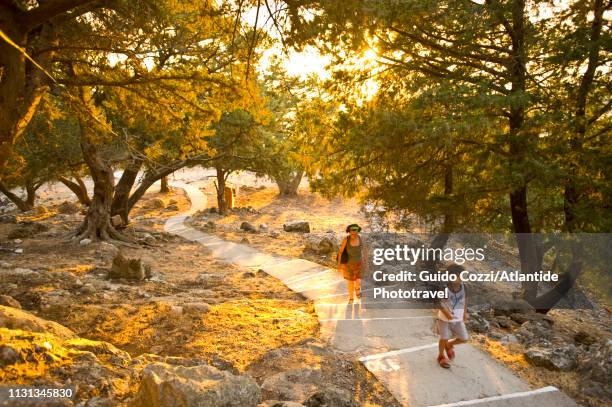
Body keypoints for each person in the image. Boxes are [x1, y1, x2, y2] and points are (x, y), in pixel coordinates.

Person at [436, 264, 469, 368]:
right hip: (444, 318)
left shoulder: (464, 286)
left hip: (458, 318)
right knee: (444, 337)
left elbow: (465, 300)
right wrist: (447, 314)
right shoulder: (445, 288)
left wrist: (464, 313)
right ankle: (441, 356)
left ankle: (449, 345)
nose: (463, 278)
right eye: (461, 275)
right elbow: (438, 303)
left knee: (464, 338)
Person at [337, 224, 368, 302]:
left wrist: (366, 262)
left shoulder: (361, 239)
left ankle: (357, 290)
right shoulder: (346, 240)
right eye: (352, 232)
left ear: (358, 231)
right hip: (348, 265)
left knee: (358, 281)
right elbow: (340, 252)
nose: (354, 234)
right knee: (351, 282)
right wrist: (339, 265)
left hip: (359, 264)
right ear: (349, 232)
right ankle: (351, 297)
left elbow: (365, 251)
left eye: (355, 232)